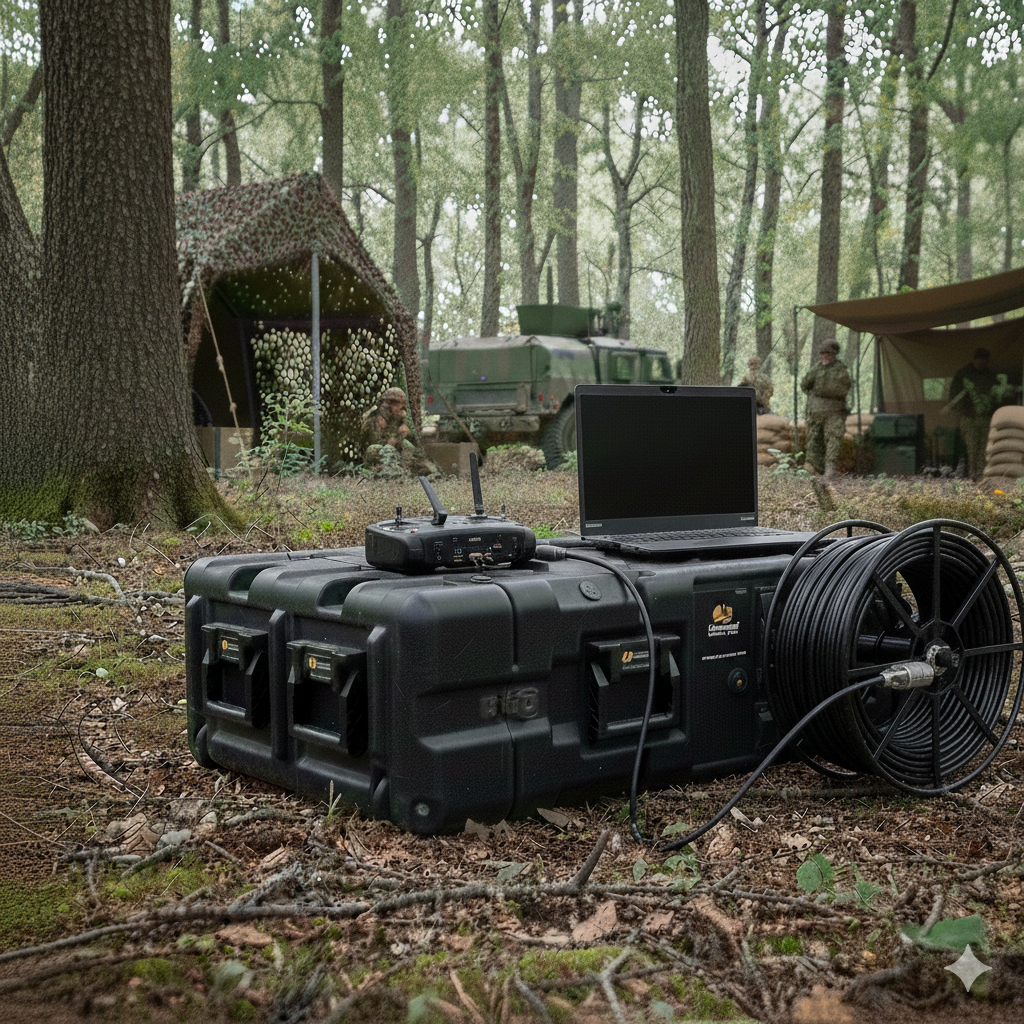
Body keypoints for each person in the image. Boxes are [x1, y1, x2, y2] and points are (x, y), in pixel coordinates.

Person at [949, 347, 1006, 480]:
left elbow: (998, 397)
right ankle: (972, 477)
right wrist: (965, 412)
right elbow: (954, 396)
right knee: (972, 450)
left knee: (984, 450)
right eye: (979, 360)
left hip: (986, 419)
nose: (982, 363)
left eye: (984, 361)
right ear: (974, 359)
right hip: (970, 419)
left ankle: (982, 477)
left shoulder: (991, 375)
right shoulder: (963, 374)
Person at [801, 338, 851, 478]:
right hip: (816, 411)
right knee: (814, 441)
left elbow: (842, 390)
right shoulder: (817, 368)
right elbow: (804, 384)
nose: (823, 356)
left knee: (832, 440)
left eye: (827, 353)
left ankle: (830, 470)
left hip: (834, 412)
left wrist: (820, 392)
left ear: (834, 354)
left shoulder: (840, 370)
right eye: (822, 353)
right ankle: (813, 469)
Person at [363, 387, 438, 477]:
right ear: (389, 404)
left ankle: (426, 471)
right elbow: (376, 446)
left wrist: (406, 434)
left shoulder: (397, 418)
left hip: (393, 456)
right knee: (375, 448)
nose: (403, 408)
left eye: (404, 404)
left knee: (406, 444)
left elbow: (414, 443)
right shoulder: (374, 419)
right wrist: (396, 437)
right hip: (377, 457)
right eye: (399, 404)